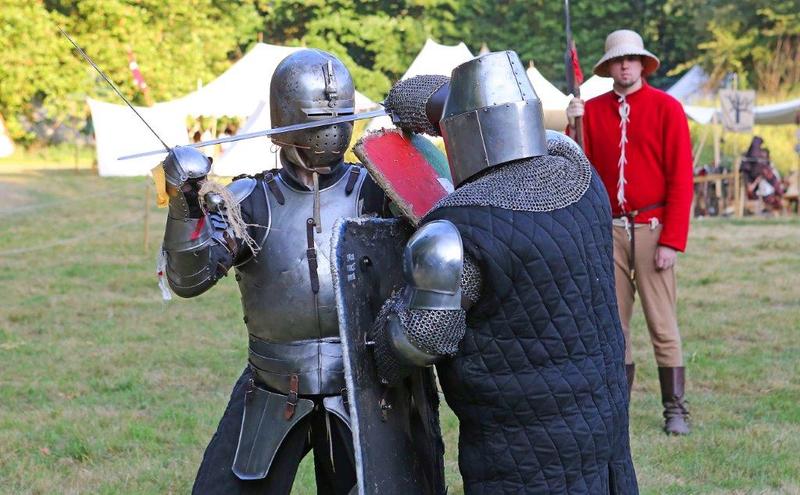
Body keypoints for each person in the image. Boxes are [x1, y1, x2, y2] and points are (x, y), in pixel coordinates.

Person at [373, 51, 637, 494]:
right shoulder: (579, 175)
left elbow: (419, 340)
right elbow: (533, 134)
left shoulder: (458, 232)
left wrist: (380, 333)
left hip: (521, 453)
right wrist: (441, 104)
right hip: (602, 421)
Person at [159, 49, 389, 494]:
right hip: (273, 382)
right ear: (286, 122)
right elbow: (189, 279)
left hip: (368, 387)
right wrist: (185, 205)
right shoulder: (250, 201)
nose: (330, 131)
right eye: (317, 119)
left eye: (339, 117)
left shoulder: (379, 190)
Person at [565, 29, 694, 435]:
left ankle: (675, 410)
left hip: (653, 229)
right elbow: (576, 168)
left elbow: (682, 179)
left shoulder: (667, 108)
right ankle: (616, 410)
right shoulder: (591, 111)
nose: (625, 65)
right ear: (609, 67)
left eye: (631, 58)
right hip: (609, 231)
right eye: (618, 60)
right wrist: (572, 126)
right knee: (613, 326)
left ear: (642, 64)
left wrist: (671, 240)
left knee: (662, 323)